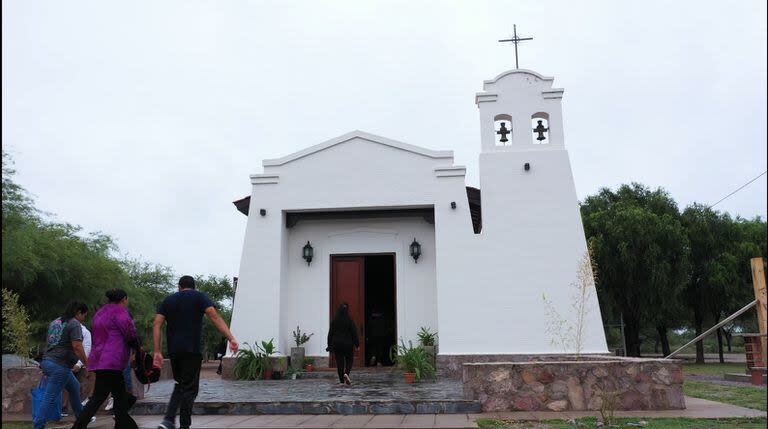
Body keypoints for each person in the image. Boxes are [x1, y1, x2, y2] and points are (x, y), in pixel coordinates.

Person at [153, 275, 239, 429]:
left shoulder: (168, 300)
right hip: (191, 350)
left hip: (174, 350)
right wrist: (231, 338)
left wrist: (157, 351)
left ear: (179, 286)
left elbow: (157, 324)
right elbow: (214, 316)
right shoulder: (199, 297)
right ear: (194, 286)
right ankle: (184, 425)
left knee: (181, 384)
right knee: (190, 388)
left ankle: (168, 420)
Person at [71, 289, 139, 429]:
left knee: (119, 398)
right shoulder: (120, 312)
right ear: (124, 299)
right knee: (98, 399)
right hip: (112, 360)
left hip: (100, 359)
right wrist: (138, 349)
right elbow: (130, 334)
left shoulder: (100, 313)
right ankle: (78, 426)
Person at [34, 302, 90, 429]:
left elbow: (50, 343)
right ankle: (38, 426)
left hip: (48, 361)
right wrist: (87, 364)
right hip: (60, 366)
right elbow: (77, 347)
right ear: (79, 312)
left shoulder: (56, 322)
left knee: (75, 387)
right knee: (49, 398)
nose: (83, 319)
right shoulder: (74, 323)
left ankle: (81, 422)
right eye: (84, 315)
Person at [327, 303, 359, 385]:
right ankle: (346, 373)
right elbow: (354, 332)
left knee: (339, 362)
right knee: (349, 360)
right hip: (348, 344)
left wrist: (329, 345)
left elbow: (330, 334)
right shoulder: (349, 320)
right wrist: (357, 344)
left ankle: (341, 380)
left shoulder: (334, 320)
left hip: (337, 344)